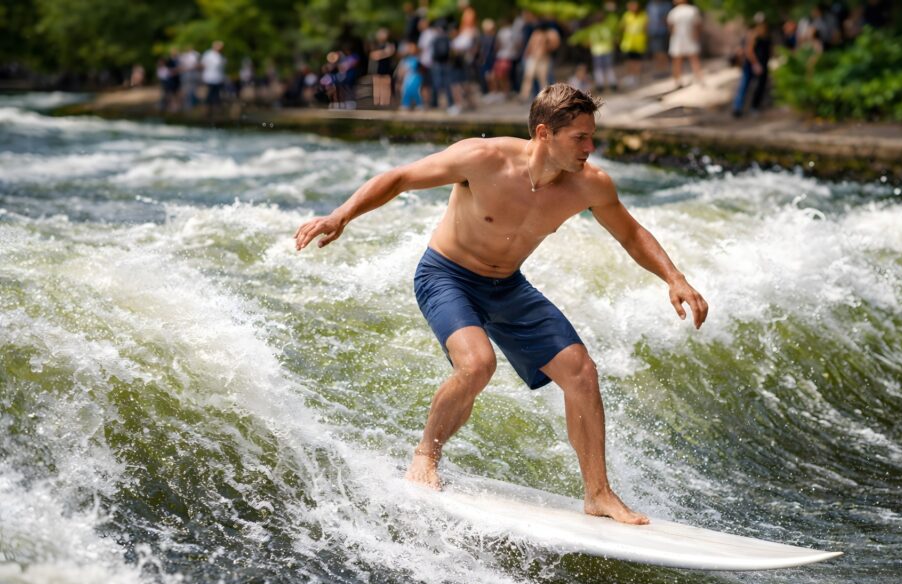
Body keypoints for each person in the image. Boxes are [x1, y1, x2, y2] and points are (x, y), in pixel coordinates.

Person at [293, 84, 709, 525]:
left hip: (507, 286)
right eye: (580, 138)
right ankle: (425, 456)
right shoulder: (483, 159)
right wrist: (340, 215)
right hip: (446, 275)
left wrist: (675, 278)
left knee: (581, 372)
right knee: (477, 364)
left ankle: (598, 494)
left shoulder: (590, 185)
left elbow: (631, 233)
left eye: (592, 137)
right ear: (545, 133)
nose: (591, 147)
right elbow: (400, 178)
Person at [732, 13, 771, 117]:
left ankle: (752, 107)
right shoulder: (754, 34)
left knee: (758, 86)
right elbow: (748, 50)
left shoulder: (765, 35)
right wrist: (755, 64)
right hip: (752, 64)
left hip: (761, 64)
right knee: (744, 85)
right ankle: (738, 108)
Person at [667, 0, 703, 88]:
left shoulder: (692, 10)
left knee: (693, 58)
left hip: (689, 37)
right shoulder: (673, 12)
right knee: (677, 60)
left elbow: (697, 25)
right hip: (678, 38)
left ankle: (699, 79)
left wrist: (696, 35)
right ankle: (677, 80)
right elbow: (671, 26)